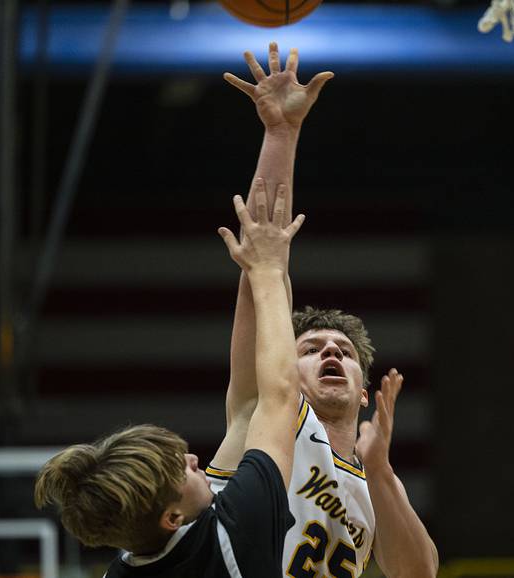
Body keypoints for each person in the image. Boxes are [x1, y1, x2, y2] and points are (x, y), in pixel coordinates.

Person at [210, 43, 439, 578]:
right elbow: (264, 261)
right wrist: (281, 135)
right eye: (310, 350)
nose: (331, 353)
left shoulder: (372, 475)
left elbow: (419, 574)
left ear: (364, 390)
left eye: (343, 351)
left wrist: (380, 469)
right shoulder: (265, 416)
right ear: (285, 368)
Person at [34, 183, 304, 578]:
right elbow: (278, 394)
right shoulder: (234, 536)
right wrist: (266, 272)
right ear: (172, 518)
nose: (196, 460)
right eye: (185, 470)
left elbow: (248, 414)